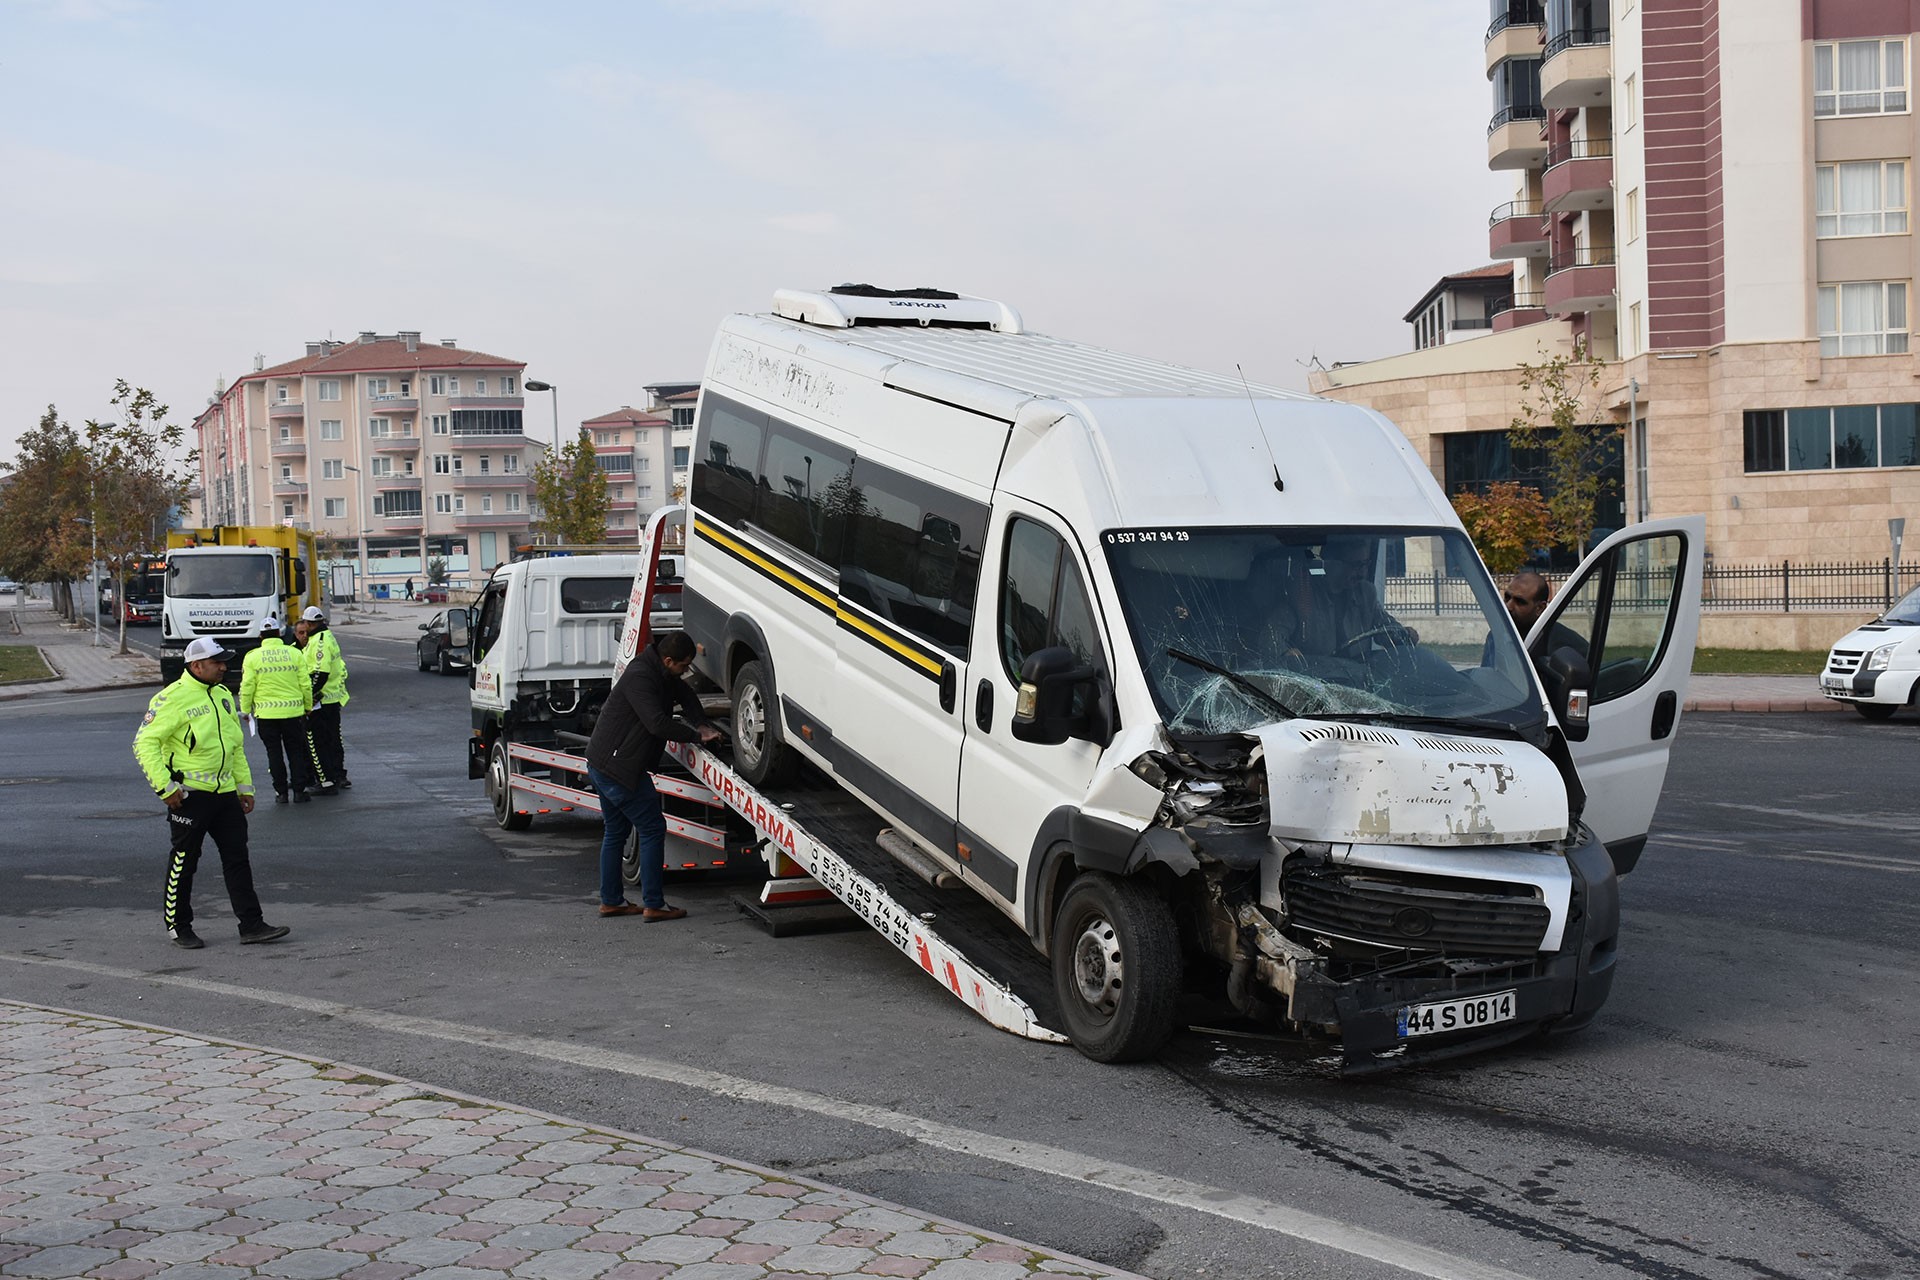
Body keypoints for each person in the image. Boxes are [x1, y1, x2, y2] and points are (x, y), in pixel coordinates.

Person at [133, 635, 290, 949]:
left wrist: (245, 789)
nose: (223, 667)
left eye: (224, 662)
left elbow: (235, 747)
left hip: (226, 795)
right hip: (189, 796)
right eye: (218, 662)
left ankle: (252, 925)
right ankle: (178, 926)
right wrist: (165, 789)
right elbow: (143, 743)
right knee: (184, 862)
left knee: (237, 860)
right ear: (196, 665)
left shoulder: (221, 695)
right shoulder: (172, 698)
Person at [585, 631, 722, 920]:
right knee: (651, 829)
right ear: (669, 659)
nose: (685, 672)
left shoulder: (661, 671)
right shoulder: (640, 677)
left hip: (605, 764)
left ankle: (611, 901)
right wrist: (695, 735)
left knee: (616, 831)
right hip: (617, 768)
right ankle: (654, 904)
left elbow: (686, 695)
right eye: (684, 666)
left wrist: (700, 721)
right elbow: (657, 724)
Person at [1293, 535, 1414, 658]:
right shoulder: (1304, 595)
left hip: (1357, 674)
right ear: (1332, 562)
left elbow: (1384, 627)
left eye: (1365, 564)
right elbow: (1276, 635)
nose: (1362, 573)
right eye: (1356, 565)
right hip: (1314, 674)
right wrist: (1289, 653)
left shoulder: (1365, 593)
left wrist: (1403, 635)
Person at [239, 615, 315, 804]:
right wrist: (308, 706)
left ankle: (281, 793)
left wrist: (245, 710)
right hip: (293, 714)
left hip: (266, 716)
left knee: (274, 754)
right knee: (295, 752)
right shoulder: (294, 654)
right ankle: (299, 791)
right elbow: (305, 684)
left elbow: (247, 686)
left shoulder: (252, 657)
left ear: (261, 636)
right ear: (279, 633)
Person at [300, 606, 350, 795]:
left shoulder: (320, 641)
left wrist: (309, 696)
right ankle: (337, 775)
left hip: (324, 700)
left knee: (318, 742)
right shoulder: (323, 637)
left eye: (305, 623)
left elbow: (320, 673)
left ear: (310, 623)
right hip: (331, 697)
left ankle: (327, 781)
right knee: (332, 740)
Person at [1501, 571, 1587, 663]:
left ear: (1540, 608)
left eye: (1519, 602)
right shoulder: (1499, 635)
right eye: (1507, 597)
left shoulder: (1560, 646)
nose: (1508, 606)